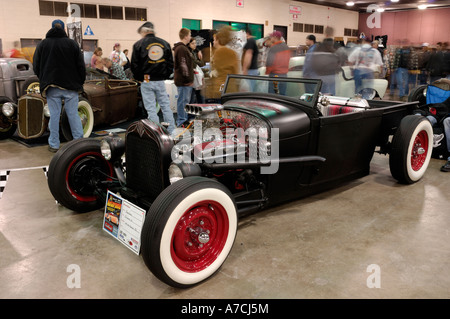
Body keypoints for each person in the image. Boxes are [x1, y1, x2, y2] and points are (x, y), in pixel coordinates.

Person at [33, 19, 86, 152]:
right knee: (73, 114)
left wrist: (44, 79)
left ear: (51, 28)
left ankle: (54, 144)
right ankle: (78, 142)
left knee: (54, 115)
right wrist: (80, 81)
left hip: (51, 86)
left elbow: (36, 65)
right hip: (70, 86)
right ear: (64, 29)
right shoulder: (72, 44)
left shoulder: (43, 44)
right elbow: (81, 65)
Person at [130, 21, 175, 134]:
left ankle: (155, 133)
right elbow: (170, 63)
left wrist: (139, 78)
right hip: (160, 79)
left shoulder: (138, 44)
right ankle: (172, 130)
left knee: (151, 109)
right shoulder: (164, 43)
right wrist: (165, 75)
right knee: (165, 106)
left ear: (144, 31)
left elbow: (134, 65)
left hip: (146, 79)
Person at [210, 26, 239, 102]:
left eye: (214, 40)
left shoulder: (218, 52)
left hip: (220, 88)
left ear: (218, 40)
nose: (213, 42)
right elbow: (236, 71)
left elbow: (215, 71)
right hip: (230, 88)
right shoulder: (232, 53)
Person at [173, 28, 195, 126]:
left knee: (184, 101)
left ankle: (183, 120)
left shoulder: (182, 48)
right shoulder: (181, 48)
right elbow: (183, 65)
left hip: (184, 80)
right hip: (184, 81)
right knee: (183, 101)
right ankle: (181, 121)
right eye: (189, 35)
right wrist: (188, 79)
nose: (190, 37)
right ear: (186, 36)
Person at [265, 31, 291, 95]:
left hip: (275, 75)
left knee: (272, 95)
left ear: (275, 37)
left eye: (271, 37)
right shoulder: (286, 46)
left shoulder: (273, 48)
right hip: (284, 75)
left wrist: (267, 73)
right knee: (282, 94)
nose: (271, 39)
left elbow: (270, 62)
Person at [188, 37, 205, 104]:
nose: (195, 45)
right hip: (192, 77)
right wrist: (199, 59)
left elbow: (201, 64)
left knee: (198, 95)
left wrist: (200, 58)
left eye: (195, 43)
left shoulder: (194, 52)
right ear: (189, 44)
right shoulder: (190, 53)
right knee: (193, 97)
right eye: (192, 43)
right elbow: (197, 64)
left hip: (195, 77)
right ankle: (190, 114)